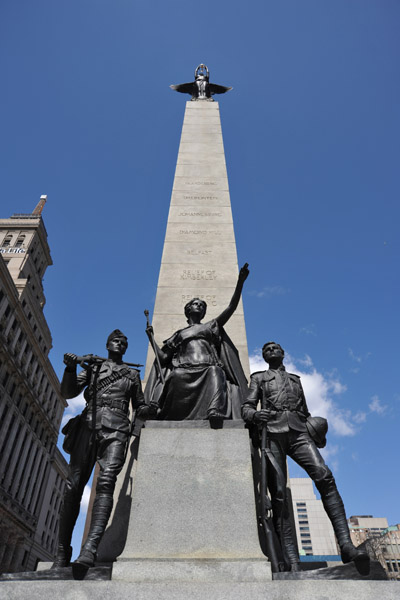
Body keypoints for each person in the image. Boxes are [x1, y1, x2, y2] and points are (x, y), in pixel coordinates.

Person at [242, 341, 369, 571]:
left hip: (299, 431)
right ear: (264, 356)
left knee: (325, 476)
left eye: (275, 348)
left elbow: (306, 411)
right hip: (272, 432)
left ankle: (346, 545)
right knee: (279, 493)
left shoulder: (295, 380)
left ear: (283, 352)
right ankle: (291, 560)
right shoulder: (259, 378)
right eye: (266, 350)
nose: (271, 350)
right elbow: (247, 407)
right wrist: (254, 414)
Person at [52, 329, 153, 571]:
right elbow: (68, 392)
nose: (121, 344)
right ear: (108, 344)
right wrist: (70, 368)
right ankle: (62, 551)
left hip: (117, 428)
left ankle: (90, 549)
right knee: (73, 486)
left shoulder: (131, 374)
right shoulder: (93, 368)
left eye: (124, 342)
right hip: (88, 425)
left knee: (107, 482)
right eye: (117, 341)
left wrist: (149, 412)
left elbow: (139, 407)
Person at [145, 264, 249, 423]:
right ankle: (161, 409)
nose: (199, 306)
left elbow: (231, 307)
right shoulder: (179, 334)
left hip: (207, 367)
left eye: (202, 305)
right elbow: (164, 358)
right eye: (196, 303)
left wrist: (240, 282)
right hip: (184, 368)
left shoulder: (210, 326)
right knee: (173, 376)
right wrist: (152, 339)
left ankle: (214, 410)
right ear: (188, 309)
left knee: (216, 372)